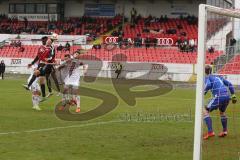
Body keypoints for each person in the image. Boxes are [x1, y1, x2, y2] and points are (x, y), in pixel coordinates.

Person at [203, 65, 237, 140]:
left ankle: (210, 132)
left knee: (205, 111)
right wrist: (233, 95)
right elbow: (230, 84)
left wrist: (204, 92)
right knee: (222, 112)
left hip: (218, 96)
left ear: (204, 71)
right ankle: (224, 131)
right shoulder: (218, 77)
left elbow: (208, 85)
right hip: (227, 96)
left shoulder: (207, 77)